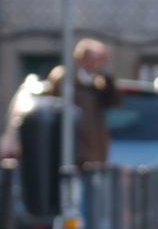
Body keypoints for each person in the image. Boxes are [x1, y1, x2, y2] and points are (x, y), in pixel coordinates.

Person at [43, 39, 123, 170]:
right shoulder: (64, 78)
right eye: (96, 58)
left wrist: (107, 76)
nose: (99, 63)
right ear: (82, 58)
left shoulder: (99, 82)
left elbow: (114, 102)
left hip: (95, 151)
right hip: (72, 150)